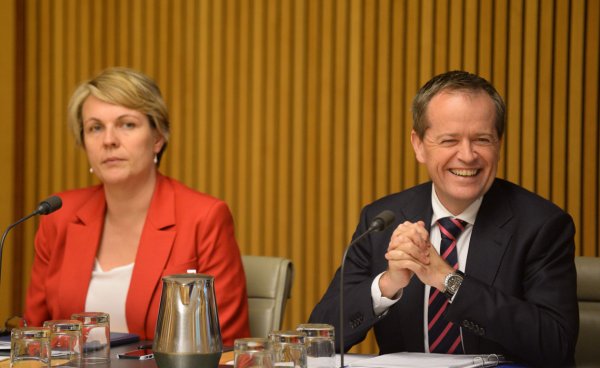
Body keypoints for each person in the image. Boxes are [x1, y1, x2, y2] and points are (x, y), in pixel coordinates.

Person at [309, 70, 578, 367]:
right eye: (450, 140)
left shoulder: (541, 225)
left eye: (482, 139)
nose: (467, 155)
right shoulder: (381, 219)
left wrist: (448, 281)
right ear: (419, 145)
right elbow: (319, 336)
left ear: (499, 144)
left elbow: (557, 344)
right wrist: (387, 284)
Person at [24, 67, 250, 345]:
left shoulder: (203, 218)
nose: (109, 140)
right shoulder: (59, 216)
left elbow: (225, 346)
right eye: (95, 128)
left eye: (127, 124)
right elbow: (33, 339)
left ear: (157, 138)